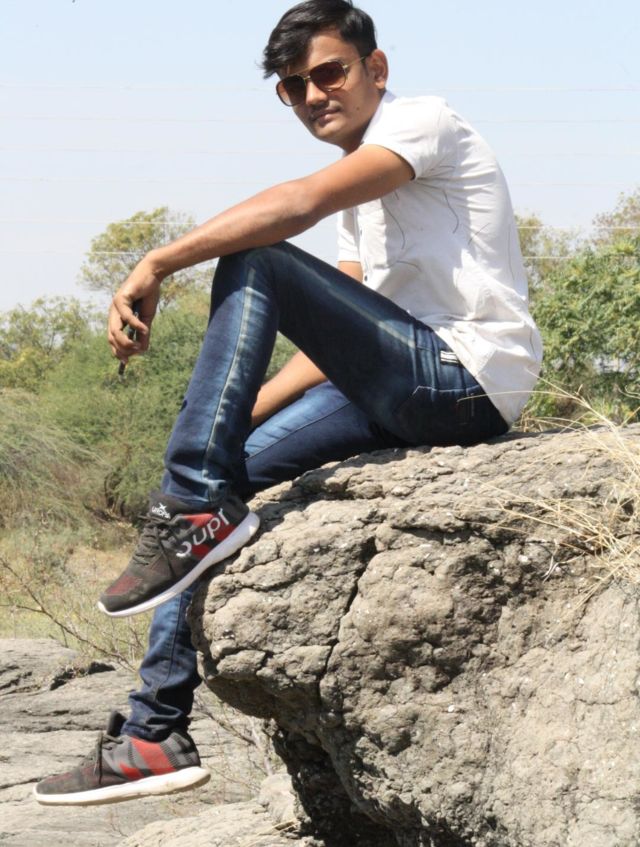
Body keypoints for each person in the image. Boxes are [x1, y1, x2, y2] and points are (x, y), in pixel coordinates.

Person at [34, 0, 542, 805]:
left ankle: (192, 504)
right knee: (215, 478)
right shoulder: (367, 202)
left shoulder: (423, 122)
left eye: (328, 73)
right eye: (292, 87)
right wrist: (238, 412)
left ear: (376, 68)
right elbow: (343, 330)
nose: (312, 95)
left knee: (257, 257)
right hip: (398, 386)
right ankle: (154, 732)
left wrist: (156, 262)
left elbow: (298, 204)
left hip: (464, 378)